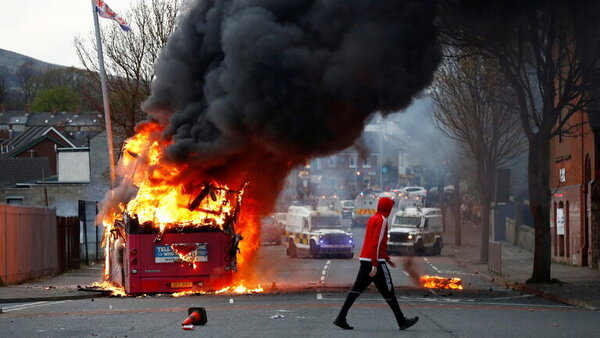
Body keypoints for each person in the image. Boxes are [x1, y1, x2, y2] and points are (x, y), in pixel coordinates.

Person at [333, 197, 419, 331]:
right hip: (376, 262)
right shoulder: (382, 220)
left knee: (356, 290)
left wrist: (387, 259)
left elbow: (373, 242)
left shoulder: (373, 218)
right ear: (388, 208)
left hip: (366, 259)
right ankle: (401, 321)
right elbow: (376, 243)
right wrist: (375, 264)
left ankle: (340, 318)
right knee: (389, 291)